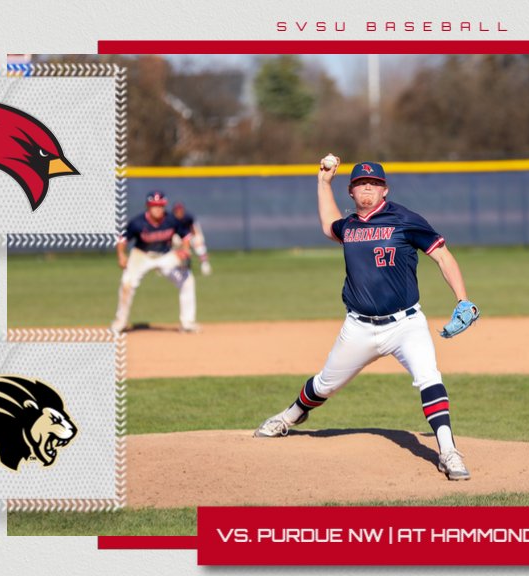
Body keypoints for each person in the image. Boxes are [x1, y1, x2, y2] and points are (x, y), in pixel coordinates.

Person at [253, 156, 480, 481]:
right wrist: (323, 181)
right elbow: (327, 224)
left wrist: (463, 298)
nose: (367, 189)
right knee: (324, 384)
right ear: (352, 192)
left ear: (384, 189)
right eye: (361, 185)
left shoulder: (405, 219)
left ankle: (448, 452)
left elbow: (442, 255)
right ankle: (289, 417)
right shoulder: (349, 227)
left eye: (373, 184)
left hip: (406, 324)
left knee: (429, 377)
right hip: (359, 327)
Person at [111, 191, 201, 333]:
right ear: (148, 206)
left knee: (187, 280)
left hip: (165, 255)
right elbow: (122, 239)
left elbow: (186, 236)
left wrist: (185, 249)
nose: (158, 209)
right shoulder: (137, 223)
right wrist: (121, 255)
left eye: (160, 206)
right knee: (127, 283)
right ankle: (120, 322)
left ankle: (188, 323)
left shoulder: (171, 220)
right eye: (154, 206)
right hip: (142, 256)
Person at [171, 202, 212, 276]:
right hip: (179, 237)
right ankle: (175, 266)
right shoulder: (171, 219)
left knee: (199, 244)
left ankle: (205, 264)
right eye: (177, 211)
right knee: (174, 243)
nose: (179, 212)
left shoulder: (188, 217)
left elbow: (194, 231)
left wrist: (189, 240)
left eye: (180, 210)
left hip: (190, 235)